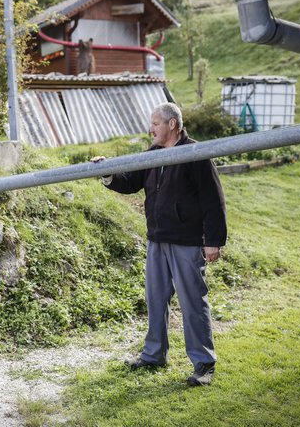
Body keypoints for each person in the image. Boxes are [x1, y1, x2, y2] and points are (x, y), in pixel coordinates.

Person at [93, 102, 227, 386]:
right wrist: (108, 174)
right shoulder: (153, 154)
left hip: (187, 242)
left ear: (172, 125)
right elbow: (131, 182)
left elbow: (213, 200)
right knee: (155, 300)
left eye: (155, 123)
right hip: (157, 239)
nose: (150, 128)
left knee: (192, 303)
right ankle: (154, 355)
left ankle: (203, 364)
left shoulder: (195, 153)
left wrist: (213, 241)